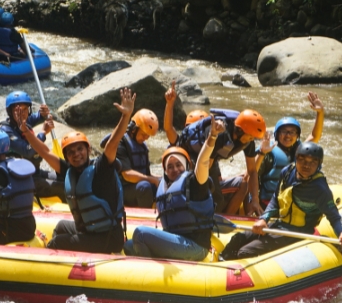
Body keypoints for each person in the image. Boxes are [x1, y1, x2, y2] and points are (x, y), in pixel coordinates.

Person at [38, 88, 134, 254]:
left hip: (108, 239)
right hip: (90, 232)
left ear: (88, 150)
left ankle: (50, 261)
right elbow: (45, 152)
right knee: (61, 226)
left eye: (80, 149)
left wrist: (126, 116)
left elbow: (112, 143)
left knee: (58, 241)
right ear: (67, 156)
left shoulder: (101, 170)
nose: (76, 154)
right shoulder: (71, 170)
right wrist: (26, 131)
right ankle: (58, 258)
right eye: (71, 152)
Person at [219, 142, 342, 260]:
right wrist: (264, 219)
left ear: (319, 165)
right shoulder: (287, 172)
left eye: (312, 162)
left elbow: (334, 216)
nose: (306, 165)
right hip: (280, 225)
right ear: (296, 158)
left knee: (245, 252)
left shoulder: (320, 189)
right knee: (238, 239)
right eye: (302, 159)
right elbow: (276, 200)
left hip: (299, 233)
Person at [164, 82, 267, 216]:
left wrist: (255, 199)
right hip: (199, 163)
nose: (251, 140)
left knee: (221, 196)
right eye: (250, 137)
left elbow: (252, 171)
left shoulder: (247, 141)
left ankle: (225, 218)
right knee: (212, 197)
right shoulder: (220, 135)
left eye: (253, 138)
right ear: (240, 131)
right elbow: (168, 129)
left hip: (207, 162)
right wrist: (170, 104)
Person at [126, 120, 224, 260]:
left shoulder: (195, 182)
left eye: (179, 165)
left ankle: (150, 272)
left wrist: (212, 137)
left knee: (140, 234)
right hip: (177, 240)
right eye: (170, 167)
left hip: (195, 246)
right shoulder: (165, 186)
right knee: (129, 246)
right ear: (165, 171)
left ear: (186, 165)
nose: (174, 169)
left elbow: (203, 162)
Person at [255, 92, 326, 207]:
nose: (288, 135)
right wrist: (262, 153)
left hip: (292, 201)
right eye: (284, 131)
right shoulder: (267, 150)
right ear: (277, 134)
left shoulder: (300, 149)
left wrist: (320, 112)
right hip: (269, 202)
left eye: (292, 132)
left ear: (297, 135)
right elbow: (252, 173)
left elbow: (315, 136)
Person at [0, 91, 61, 199]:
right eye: (17, 110)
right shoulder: (6, 131)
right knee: (62, 187)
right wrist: (43, 133)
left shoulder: (25, 121)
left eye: (25, 109)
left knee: (64, 177)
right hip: (22, 179)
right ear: (10, 111)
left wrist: (44, 113)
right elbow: (28, 151)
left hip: (35, 172)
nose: (22, 113)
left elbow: (39, 116)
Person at [101, 108, 159, 208]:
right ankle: (145, 217)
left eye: (148, 135)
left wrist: (159, 180)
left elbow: (146, 173)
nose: (146, 138)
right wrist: (153, 180)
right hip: (120, 190)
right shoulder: (120, 144)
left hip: (133, 188)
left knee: (163, 183)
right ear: (133, 129)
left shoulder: (142, 145)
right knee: (144, 187)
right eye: (143, 134)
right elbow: (127, 175)